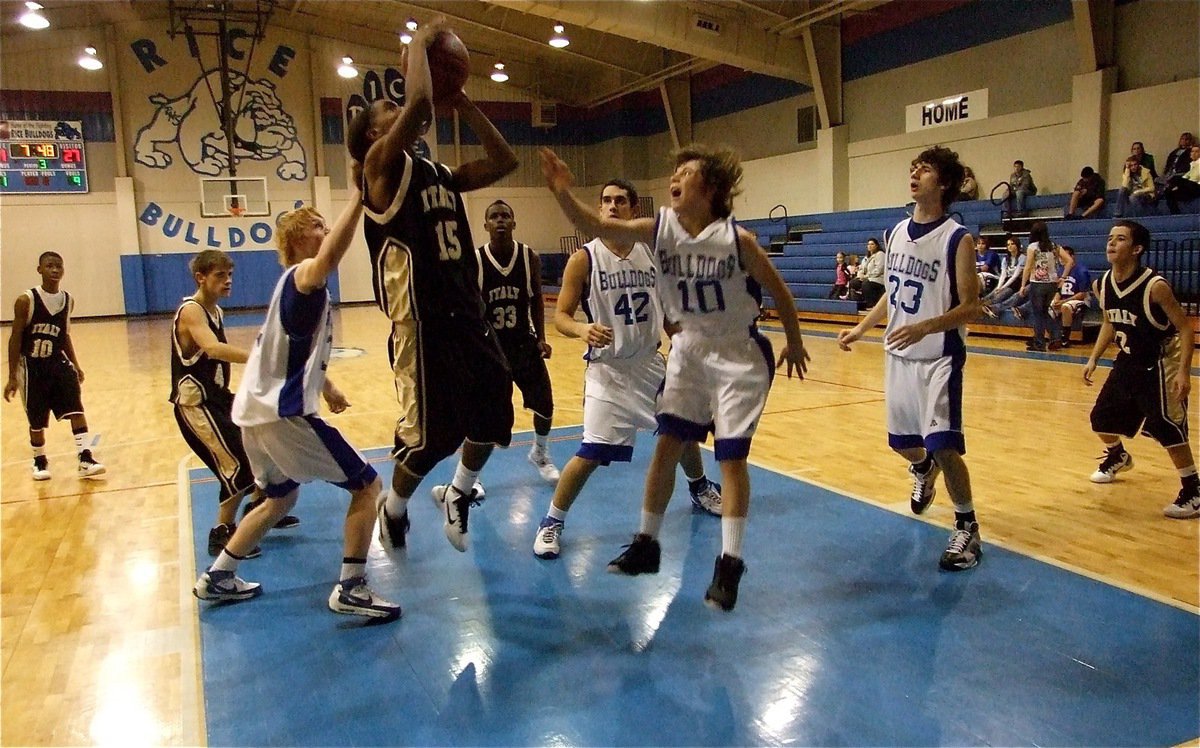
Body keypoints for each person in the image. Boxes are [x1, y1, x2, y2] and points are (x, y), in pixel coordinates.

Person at [539, 144, 809, 611]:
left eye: (687, 172)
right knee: (667, 445)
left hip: (736, 355)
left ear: (710, 190)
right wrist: (563, 192)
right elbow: (599, 227)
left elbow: (779, 290)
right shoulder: (659, 231)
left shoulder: (737, 241)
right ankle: (647, 542)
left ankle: (730, 562)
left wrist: (795, 340)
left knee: (730, 458)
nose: (675, 177)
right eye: (675, 170)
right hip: (686, 352)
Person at [347, 21, 519, 554]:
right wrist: (423, 40)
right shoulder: (376, 167)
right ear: (376, 134)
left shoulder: (440, 173)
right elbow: (420, 100)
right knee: (432, 440)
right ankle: (393, 507)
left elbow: (505, 161)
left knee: (495, 413)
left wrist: (465, 104)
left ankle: (458, 495)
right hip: (421, 328)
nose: (401, 112)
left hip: (467, 314)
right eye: (389, 112)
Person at [193, 182, 403, 620]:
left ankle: (218, 576)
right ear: (296, 240)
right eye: (317, 225)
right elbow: (329, 258)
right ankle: (351, 587)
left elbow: (290, 349)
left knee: (279, 498)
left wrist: (327, 387)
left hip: (253, 413)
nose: (326, 230)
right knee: (367, 486)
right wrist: (358, 199)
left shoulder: (290, 288)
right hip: (281, 413)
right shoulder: (306, 274)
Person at [531, 178, 724, 560]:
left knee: (683, 434)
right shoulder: (583, 258)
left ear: (633, 209)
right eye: (605, 201)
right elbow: (562, 318)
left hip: (651, 364)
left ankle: (699, 487)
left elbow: (666, 310)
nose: (612, 207)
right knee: (590, 454)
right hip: (609, 372)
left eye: (620, 201)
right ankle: (552, 521)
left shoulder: (652, 253)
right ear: (599, 208)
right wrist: (583, 329)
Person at [838, 145, 983, 572]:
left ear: (944, 183)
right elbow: (894, 290)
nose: (915, 172)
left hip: (939, 356)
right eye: (913, 167)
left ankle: (967, 526)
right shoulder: (895, 232)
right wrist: (864, 327)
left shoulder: (958, 238)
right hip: (898, 355)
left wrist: (925, 326)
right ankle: (923, 470)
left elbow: (972, 306)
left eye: (926, 168)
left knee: (945, 446)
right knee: (906, 445)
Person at [171, 250, 299, 558]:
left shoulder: (216, 312)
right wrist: (260, 357)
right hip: (196, 405)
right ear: (200, 277)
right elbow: (213, 349)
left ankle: (259, 507)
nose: (228, 281)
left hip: (218, 397)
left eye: (230, 275)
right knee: (238, 465)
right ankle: (222, 532)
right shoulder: (191, 311)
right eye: (220, 276)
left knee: (263, 444)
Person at [1083, 220, 1197, 519]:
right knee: (1101, 419)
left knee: (1167, 428)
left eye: (1120, 239)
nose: (1111, 243)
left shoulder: (1155, 287)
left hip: (1161, 359)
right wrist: (1094, 357)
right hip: (1129, 359)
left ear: (1136, 249)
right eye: (1110, 238)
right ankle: (1118, 455)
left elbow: (1186, 329)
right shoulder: (1103, 283)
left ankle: (1193, 490)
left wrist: (1184, 371)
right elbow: (1110, 320)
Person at [474, 200, 560, 484]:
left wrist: (542, 338)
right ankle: (472, 475)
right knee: (484, 417)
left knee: (545, 405)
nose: (500, 220)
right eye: (494, 216)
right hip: (491, 350)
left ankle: (540, 452)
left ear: (514, 223)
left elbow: (536, 298)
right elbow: (471, 307)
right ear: (486, 225)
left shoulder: (528, 257)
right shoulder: (477, 260)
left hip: (523, 343)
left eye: (506, 216)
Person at [4, 251, 105, 480]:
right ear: (39, 269)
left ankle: (85, 458)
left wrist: (76, 365)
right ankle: (39, 461)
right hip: (31, 366)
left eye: (59, 266)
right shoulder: (26, 300)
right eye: (49, 266)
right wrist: (12, 376)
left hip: (57, 363)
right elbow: (15, 337)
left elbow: (64, 335)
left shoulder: (67, 300)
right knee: (37, 419)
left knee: (76, 408)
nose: (55, 270)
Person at [1016, 221, 1065, 352]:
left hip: (1038, 283)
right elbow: (1070, 261)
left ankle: (1039, 343)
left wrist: (1022, 285)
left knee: (1038, 314)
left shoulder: (1033, 247)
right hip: (1052, 284)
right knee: (1046, 312)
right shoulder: (1054, 246)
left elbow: (1027, 267)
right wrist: (1063, 277)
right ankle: (1055, 338)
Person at [1050, 245, 1090, 349]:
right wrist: (1056, 300)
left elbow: (1083, 294)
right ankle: (1052, 337)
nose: (1061, 259)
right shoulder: (1061, 271)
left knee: (1066, 307)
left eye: (1064, 256)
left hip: (1079, 300)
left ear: (1072, 257)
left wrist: (1064, 301)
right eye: (1060, 257)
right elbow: (1058, 290)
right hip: (1064, 298)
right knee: (1049, 306)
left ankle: (1065, 338)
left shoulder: (1081, 271)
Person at [980, 235, 1026, 318]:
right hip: (1007, 280)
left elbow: (1015, 276)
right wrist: (999, 286)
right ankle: (981, 303)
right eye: (1008, 245)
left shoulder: (1022, 258)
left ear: (1017, 245)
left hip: (1017, 281)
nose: (1010, 246)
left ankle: (990, 306)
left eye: (1012, 244)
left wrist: (1003, 287)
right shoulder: (1006, 259)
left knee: (1003, 293)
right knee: (994, 292)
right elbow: (1003, 274)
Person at [1164, 144, 1200, 214]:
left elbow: (1194, 178)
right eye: (1192, 151)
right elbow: (1186, 177)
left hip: (1197, 186)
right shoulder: (1191, 164)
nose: (1193, 153)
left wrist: (1179, 185)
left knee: (1181, 181)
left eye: (1196, 151)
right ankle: (1175, 213)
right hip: (1189, 187)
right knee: (1168, 191)